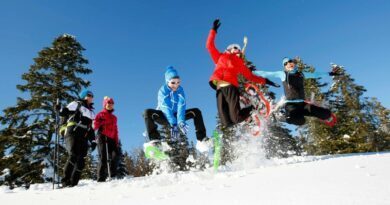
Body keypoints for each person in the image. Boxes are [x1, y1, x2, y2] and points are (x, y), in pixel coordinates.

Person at [206, 19, 277, 128]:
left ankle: (253, 108)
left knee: (236, 118)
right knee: (227, 123)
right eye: (235, 47)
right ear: (229, 48)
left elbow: (250, 76)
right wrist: (213, 30)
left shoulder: (239, 62)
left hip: (231, 87)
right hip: (219, 88)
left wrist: (267, 81)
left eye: (238, 49)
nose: (237, 49)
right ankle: (248, 119)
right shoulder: (220, 56)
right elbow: (209, 46)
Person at [253, 57, 340, 126]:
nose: (288, 64)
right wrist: (252, 71)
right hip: (291, 105)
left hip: (302, 105)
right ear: (284, 66)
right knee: (300, 121)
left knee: (326, 114)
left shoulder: (301, 74)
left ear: (293, 63)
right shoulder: (283, 74)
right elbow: (267, 73)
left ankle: (315, 114)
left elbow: (315, 74)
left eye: (290, 61)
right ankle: (284, 117)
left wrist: (329, 73)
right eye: (285, 63)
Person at [143, 66, 212, 152]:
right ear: (167, 82)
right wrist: (173, 124)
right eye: (173, 82)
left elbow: (181, 106)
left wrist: (180, 121)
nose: (176, 85)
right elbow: (166, 107)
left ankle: (202, 139)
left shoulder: (180, 90)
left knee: (196, 112)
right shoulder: (163, 91)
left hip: (176, 115)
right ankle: (155, 140)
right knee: (147, 112)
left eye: (178, 82)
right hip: (164, 116)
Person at [59, 89, 96, 187]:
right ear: (84, 96)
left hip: (84, 135)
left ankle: (73, 183)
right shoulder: (76, 104)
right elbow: (64, 112)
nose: (91, 97)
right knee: (73, 155)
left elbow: (91, 128)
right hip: (73, 132)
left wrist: (93, 140)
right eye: (89, 95)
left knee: (81, 160)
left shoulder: (91, 112)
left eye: (92, 96)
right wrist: (60, 109)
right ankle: (65, 181)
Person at [94, 96, 119, 182]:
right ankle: (101, 178)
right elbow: (94, 126)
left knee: (116, 155)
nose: (110, 105)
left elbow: (116, 130)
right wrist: (101, 121)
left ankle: (112, 174)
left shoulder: (114, 117)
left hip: (112, 138)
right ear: (105, 104)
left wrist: (116, 140)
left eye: (112, 103)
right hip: (102, 136)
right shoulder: (100, 114)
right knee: (103, 157)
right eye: (109, 103)